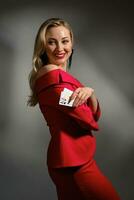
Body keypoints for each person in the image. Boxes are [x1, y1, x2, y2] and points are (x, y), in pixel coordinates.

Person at [27, 18, 120, 200]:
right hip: (73, 163)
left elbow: (92, 113)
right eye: (51, 42)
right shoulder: (53, 80)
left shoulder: (59, 77)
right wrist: (88, 94)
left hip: (73, 159)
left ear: (72, 42)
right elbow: (87, 119)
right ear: (43, 46)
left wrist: (89, 93)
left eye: (65, 41)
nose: (60, 48)